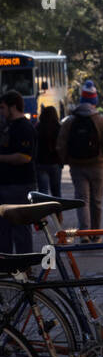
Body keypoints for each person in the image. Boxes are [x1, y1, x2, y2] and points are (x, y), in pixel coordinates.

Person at [56, 80, 103, 233]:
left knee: (82, 200)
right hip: (97, 165)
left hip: (77, 165)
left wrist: (67, 160)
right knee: (97, 201)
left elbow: (61, 144)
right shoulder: (102, 121)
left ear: (81, 99)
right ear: (94, 100)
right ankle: (96, 232)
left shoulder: (70, 121)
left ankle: (85, 232)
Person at [0, 90, 37, 254]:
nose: (0, 111)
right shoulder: (7, 126)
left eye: (2, 107)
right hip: (6, 184)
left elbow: (24, 157)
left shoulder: (24, 127)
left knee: (20, 229)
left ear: (12, 107)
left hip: (20, 184)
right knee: (4, 230)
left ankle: (24, 267)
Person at [35, 105, 63, 200]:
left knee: (43, 192)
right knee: (56, 192)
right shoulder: (58, 128)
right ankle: (58, 214)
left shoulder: (38, 127)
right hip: (55, 162)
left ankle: (44, 214)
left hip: (41, 163)